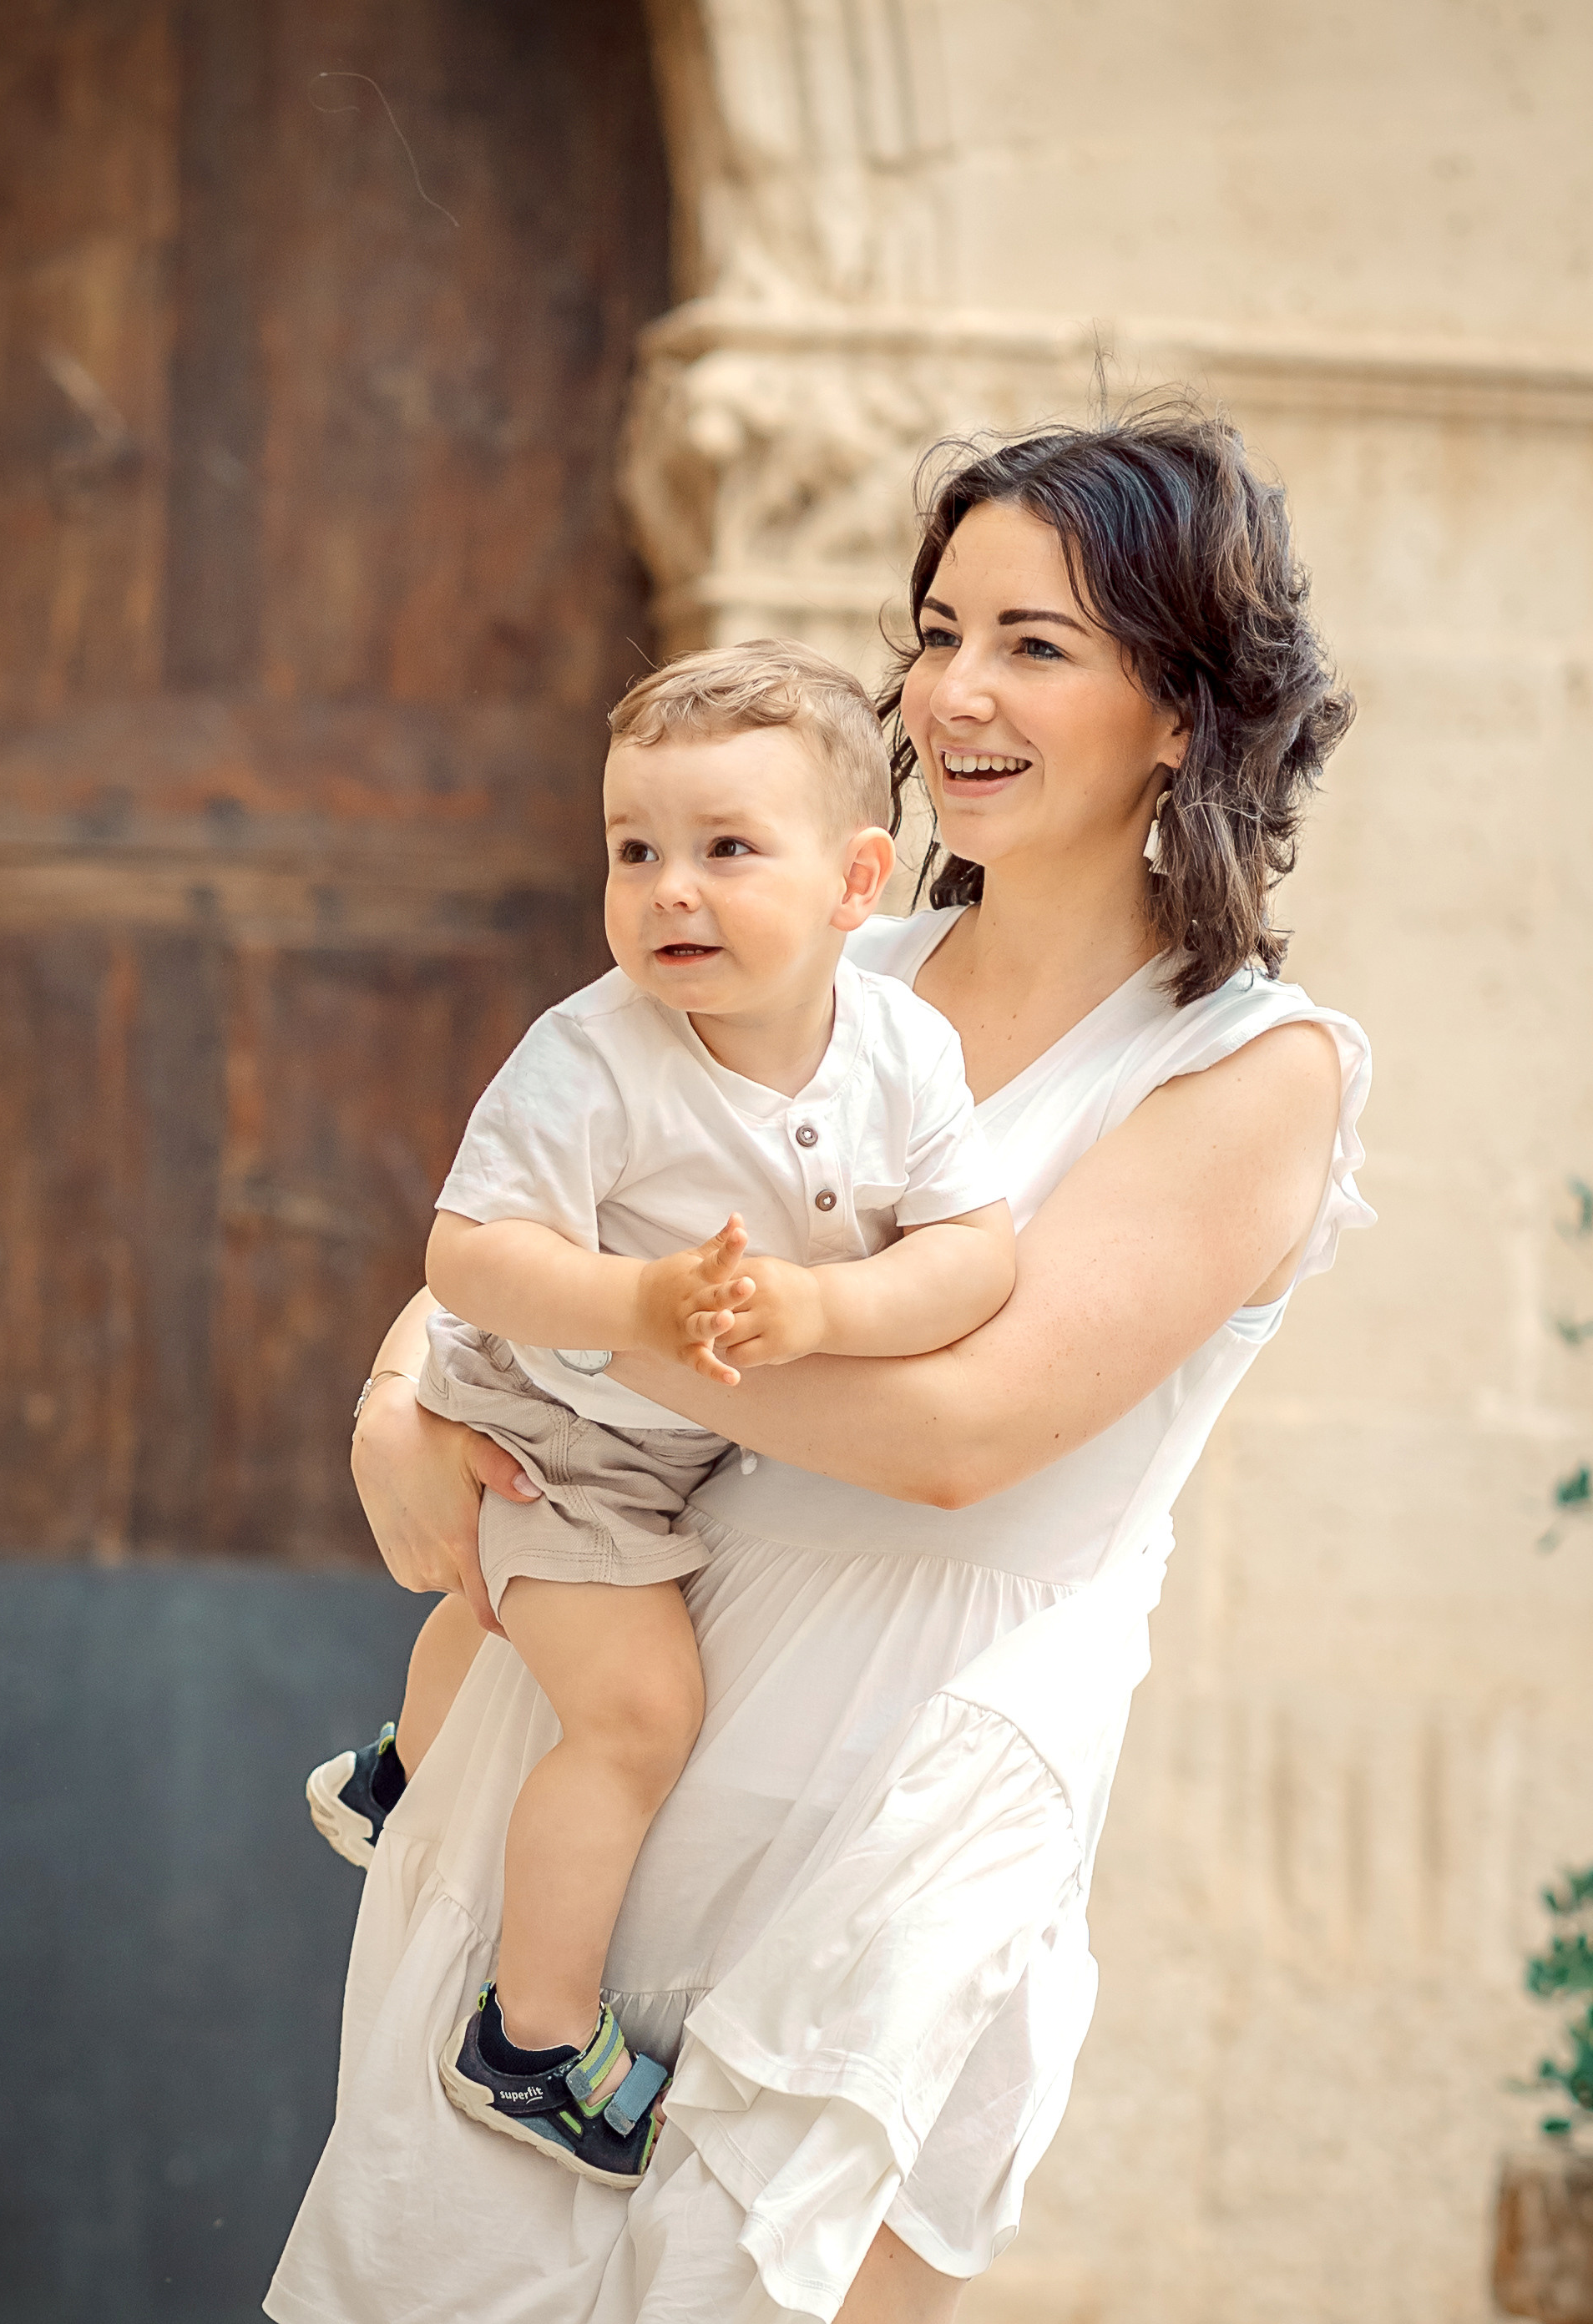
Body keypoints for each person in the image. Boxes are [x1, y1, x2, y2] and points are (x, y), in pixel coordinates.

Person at [266, 402, 1373, 2324]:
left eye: (1038, 643)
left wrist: (570, 1340)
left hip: (916, 1766)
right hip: (628, 1706)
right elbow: (537, 1183)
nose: (956, 692)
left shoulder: (1251, 1072)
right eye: (942, 630)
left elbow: (957, 1437)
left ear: (1186, 711)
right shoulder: (820, 968)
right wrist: (398, 1405)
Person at [311, 639, 1016, 2190]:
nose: (668, 890)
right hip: (555, 1427)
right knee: (636, 1719)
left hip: (669, 1442)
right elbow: (468, 1256)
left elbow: (976, 1250)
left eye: (724, 851)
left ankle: (400, 1776)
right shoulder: (593, 1056)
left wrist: (830, 1308)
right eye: (635, 851)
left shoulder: (903, 1048)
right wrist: (632, 1301)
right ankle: (535, 2039)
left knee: (504, 1634)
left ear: (857, 883)